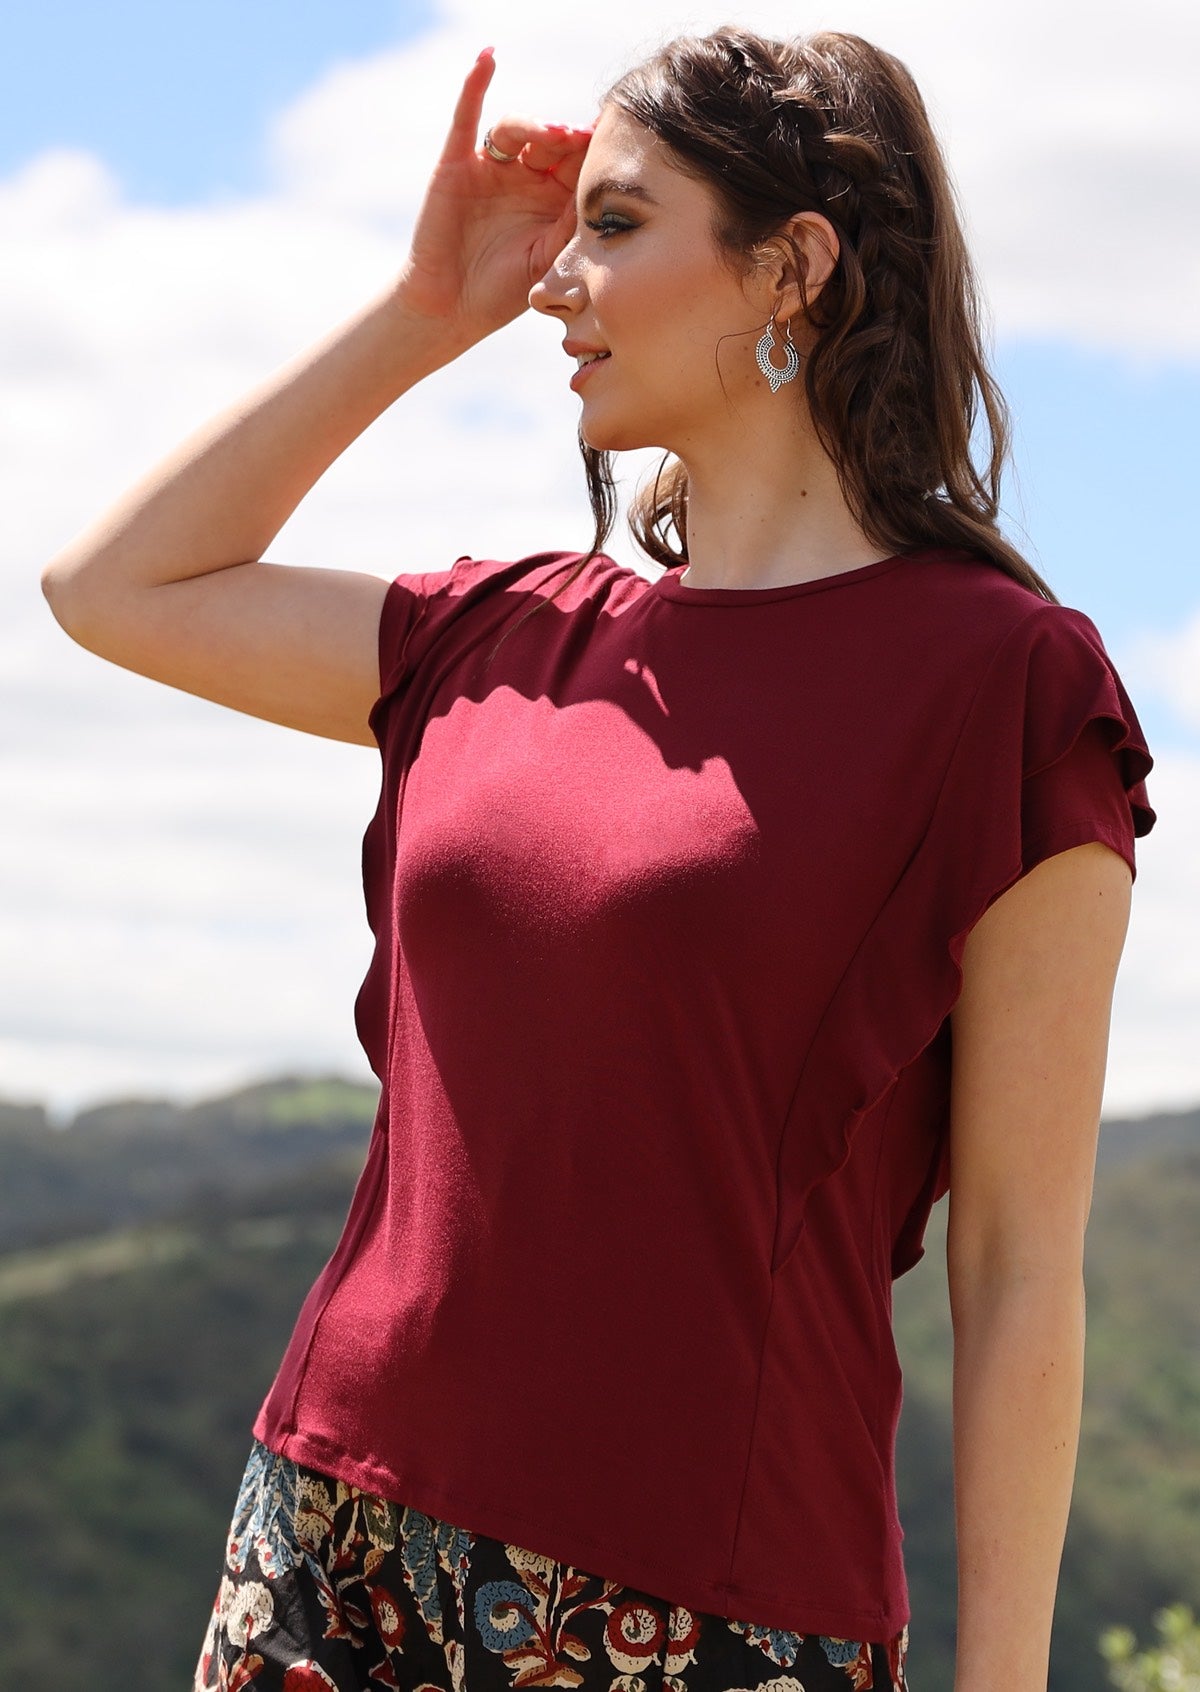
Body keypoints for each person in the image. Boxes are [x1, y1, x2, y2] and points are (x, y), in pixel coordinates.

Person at [41, 26, 1157, 1692]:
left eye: (619, 226)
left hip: (692, 1619)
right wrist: (425, 314)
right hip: (327, 1543)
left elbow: (1014, 1269)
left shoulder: (1005, 692)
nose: (561, 280)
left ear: (793, 268)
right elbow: (113, 588)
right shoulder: (503, 636)